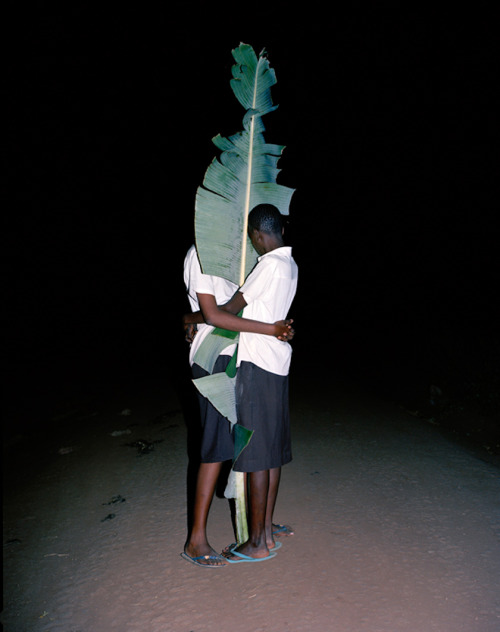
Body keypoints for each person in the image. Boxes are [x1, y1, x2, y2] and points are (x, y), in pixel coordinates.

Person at [181, 242, 294, 567]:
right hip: (214, 356)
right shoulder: (201, 253)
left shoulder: (238, 255)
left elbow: (243, 303)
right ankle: (196, 540)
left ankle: (261, 527)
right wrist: (271, 330)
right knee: (217, 447)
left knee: (255, 442)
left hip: (244, 356)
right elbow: (216, 314)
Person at [219, 203, 298, 563]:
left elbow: (229, 312)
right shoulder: (290, 265)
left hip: (258, 366)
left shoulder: (268, 266)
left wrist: (198, 316)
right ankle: (264, 533)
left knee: (254, 456)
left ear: (257, 235)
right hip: (277, 364)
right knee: (270, 455)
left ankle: (257, 543)